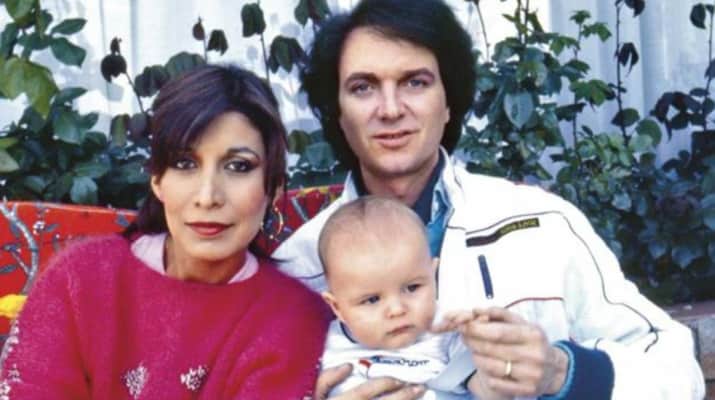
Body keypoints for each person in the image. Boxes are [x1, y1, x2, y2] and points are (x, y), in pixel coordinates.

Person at [273, 0, 707, 399]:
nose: (390, 109)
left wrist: (562, 372)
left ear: (449, 102)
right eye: (363, 87)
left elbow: (677, 371)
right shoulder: (299, 267)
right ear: (338, 113)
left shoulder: (541, 224)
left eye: (415, 82)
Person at [0, 64, 329, 399]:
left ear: (273, 186)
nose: (207, 197)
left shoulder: (293, 318)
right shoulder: (79, 280)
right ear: (157, 179)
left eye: (238, 166)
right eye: (185, 164)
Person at [318, 196, 502, 399]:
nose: (397, 309)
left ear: (433, 276)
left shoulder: (448, 330)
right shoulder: (322, 348)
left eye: (412, 288)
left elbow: (492, 390)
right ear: (337, 308)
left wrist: (492, 351)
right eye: (372, 300)